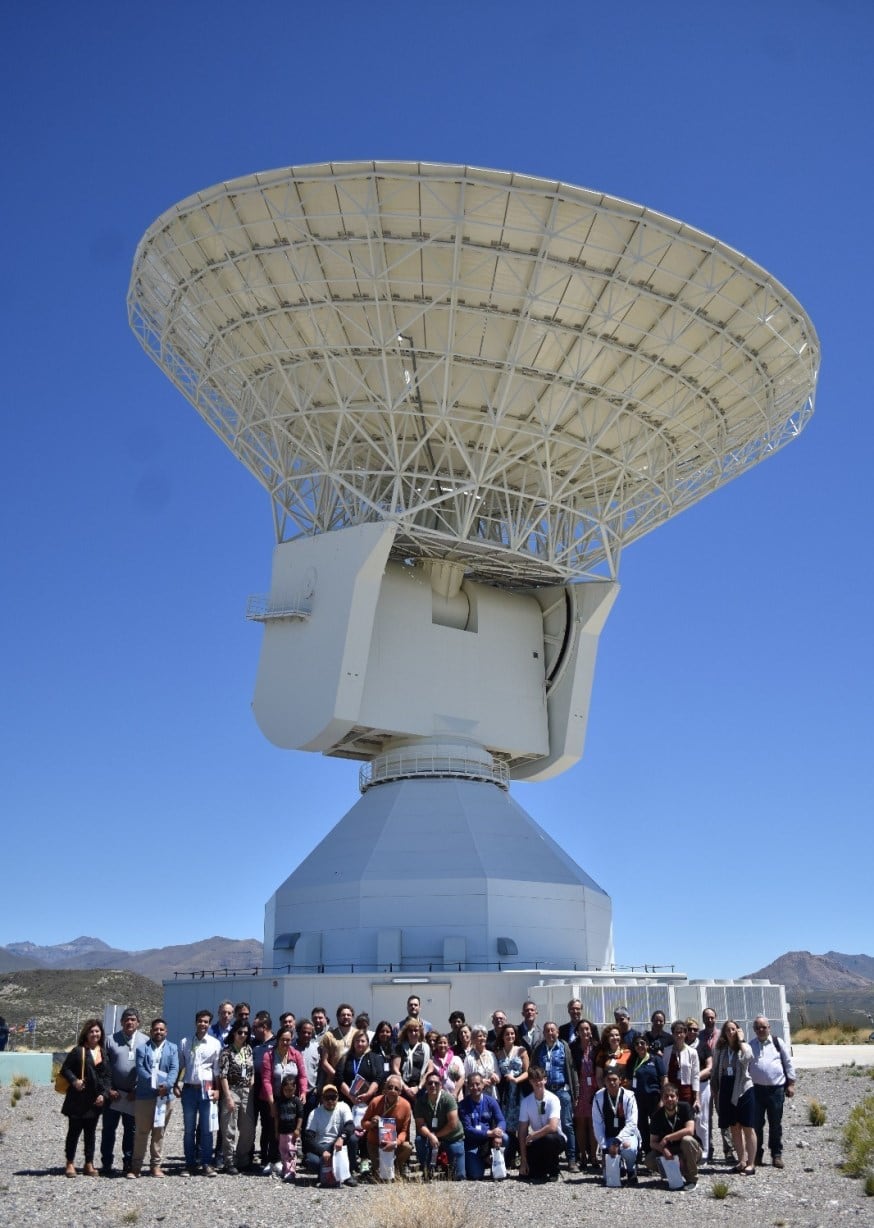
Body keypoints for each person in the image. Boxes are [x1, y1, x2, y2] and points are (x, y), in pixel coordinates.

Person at [60, 1019, 112, 1177]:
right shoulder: (78, 1051)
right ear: (86, 1034)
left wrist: (104, 1095)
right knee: (74, 1132)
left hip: (95, 1101)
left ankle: (89, 1163)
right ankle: (70, 1163)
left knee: (91, 1134)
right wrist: (74, 1081)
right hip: (78, 1100)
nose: (95, 1034)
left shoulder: (103, 1052)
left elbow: (107, 1077)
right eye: (91, 1031)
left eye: (97, 1031)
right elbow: (65, 1069)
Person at [129, 1017, 179, 1179]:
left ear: (166, 1032)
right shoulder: (142, 1049)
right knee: (142, 1132)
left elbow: (174, 1069)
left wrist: (167, 1086)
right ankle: (136, 1166)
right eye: (155, 1029)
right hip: (145, 1096)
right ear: (151, 1032)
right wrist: (155, 1084)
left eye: (161, 1029)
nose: (158, 1032)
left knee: (159, 1132)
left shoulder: (172, 1048)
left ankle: (155, 1166)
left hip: (165, 1097)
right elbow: (141, 1069)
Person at [174, 1008, 221, 1176]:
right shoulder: (185, 1042)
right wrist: (176, 1084)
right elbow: (181, 1066)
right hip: (189, 1090)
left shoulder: (215, 1044)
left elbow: (217, 1070)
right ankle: (189, 1163)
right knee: (189, 1129)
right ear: (196, 1022)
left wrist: (217, 1090)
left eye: (206, 1021)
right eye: (200, 1021)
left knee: (207, 1129)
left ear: (209, 1024)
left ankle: (207, 1163)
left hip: (207, 1089)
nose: (203, 1024)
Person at [101, 1007, 147, 1177]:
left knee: (131, 1131)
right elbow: (103, 1068)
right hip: (114, 1095)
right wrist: (109, 1089)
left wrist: (138, 1089)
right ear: (121, 1022)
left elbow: (148, 1068)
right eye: (126, 1019)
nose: (129, 1022)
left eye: (133, 1019)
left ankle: (128, 1162)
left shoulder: (145, 1041)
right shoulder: (110, 1040)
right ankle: (106, 1163)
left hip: (132, 1095)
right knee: (108, 1130)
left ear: (138, 1022)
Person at [749, 1016, 796, 1169]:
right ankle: (757, 1155)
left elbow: (788, 1063)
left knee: (775, 1124)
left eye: (764, 1027)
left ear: (769, 1028)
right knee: (756, 1124)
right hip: (756, 1090)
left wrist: (791, 1084)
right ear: (754, 1030)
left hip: (776, 1090)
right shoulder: (751, 1045)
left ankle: (776, 1154)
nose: (761, 1030)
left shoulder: (777, 1042)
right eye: (758, 1027)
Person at [711, 1019, 756, 1175]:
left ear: (738, 1031)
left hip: (743, 1089)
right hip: (726, 1088)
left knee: (747, 1127)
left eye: (733, 1029)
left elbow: (748, 1057)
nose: (730, 1032)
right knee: (734, 1127)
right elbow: (716, 1069)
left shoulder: (744, 1046)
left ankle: (751, 1164)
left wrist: (741, 1040)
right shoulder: (721, 1049)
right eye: (728, 1030)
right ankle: (741, 1161)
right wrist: (715, 1089)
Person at [261, 1026, 308, 1172]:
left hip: (290, 1098)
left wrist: (303, 1092)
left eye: (288, 1040)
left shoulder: (296, 1054)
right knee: (270, 1129)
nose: (286, 1043)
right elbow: (266, 1080)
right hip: (272, 1097)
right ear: (277, 1039)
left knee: (287, 1130)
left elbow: (302, 1076)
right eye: (283, 1040)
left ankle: (287, 1160)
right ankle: (270, 1159)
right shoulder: (269, 1055)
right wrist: (271, 1103)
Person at [534, 1021, 579, 1171]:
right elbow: (534, 1070)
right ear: (544, 1033)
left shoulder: (564, 1048)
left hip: (561, 1090)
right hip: (545, 1093)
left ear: (558, 1032)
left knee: (567, 1124)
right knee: (545, 1124)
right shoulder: (539, 1049)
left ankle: (571, 1159)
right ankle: (549, 1157)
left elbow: (572, 1071)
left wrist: (575, 1093)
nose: (550, 1033)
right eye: (547, 1031)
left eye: (553, 1030)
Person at [644, 1080, 702, 1190]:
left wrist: (667, 1137)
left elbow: (690, 1130)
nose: (669, 1099)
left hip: (690, 1149)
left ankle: (692, 1179)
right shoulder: (657, 1115)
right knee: (649, 1160)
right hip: (671, 1151)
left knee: (687, 1140)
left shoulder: (685, 1107)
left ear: (677, 1097)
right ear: (662, 1099)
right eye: (666, 1097)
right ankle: (674, 1174)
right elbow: (652, 1142)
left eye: (672, 1096)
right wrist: (663, 1150)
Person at [218, 1019, 255, 1175]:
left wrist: (251, 1082)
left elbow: (251, 1069)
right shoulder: (226, 1052)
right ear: (234, 1033)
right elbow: (223, 1075)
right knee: (229, 1128)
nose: (243, 1035)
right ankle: (229, 1161)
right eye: (240, 1032)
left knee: (248, 1129)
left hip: (247, 1091)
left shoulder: (248, 1050)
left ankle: (242, 1159)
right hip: (232, 1090)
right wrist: (228, 1097)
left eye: (246, 1033)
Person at [414, 1070, 465, 1179]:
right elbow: (420, 1125)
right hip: (431, 1138)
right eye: (430, 1083)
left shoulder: (448, 1099)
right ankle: (427, 1169)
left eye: (436, 1083)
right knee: (419, 1140)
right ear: (425, 1085)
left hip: (452, 1137)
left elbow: (453, 1124)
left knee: (459, 1176)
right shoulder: (420, 1101)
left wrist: (435, 1136)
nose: (433, 1085)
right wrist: (430, 1136)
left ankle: (446, 1166)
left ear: (441, 1085)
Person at [303, 1083, 358, 1186]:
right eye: (327, 1097)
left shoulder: (343, 1106)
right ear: (322, 1099)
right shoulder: (314, 1113)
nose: (330, 1101)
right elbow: (308, 1138)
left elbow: (350, 1126)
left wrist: (341, 1138)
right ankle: (323, 1174)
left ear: (338, 1097)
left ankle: (348, 1174)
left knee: (353, 1139)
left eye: (333, 1097)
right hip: (322, 1146)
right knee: (311, 1160)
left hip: (337, 1146)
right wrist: (322, 1151)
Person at [593, 1068, 640, 1185]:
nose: (612, 1082)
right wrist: (604, 1148)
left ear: (620, 1081)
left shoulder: (629, 1096)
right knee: (608, 1178)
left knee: (629, 1148)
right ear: (604, 1081)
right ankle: (618, 1167)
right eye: (608, 1080)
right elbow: (597, 1124)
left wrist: (617, 1141)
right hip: (608, 1137)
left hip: (626, 1137)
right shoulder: (598, 1097)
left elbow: (632, 1123)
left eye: (615, 1079)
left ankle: (631, 1170)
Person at [517, 1066, 564, 1182]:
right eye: (534, 1080)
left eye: (540, 1079)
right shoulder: (526, 1102)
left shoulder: (553, 1099)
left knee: (549, 1139)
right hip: (537, 1140)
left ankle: (554, 1169)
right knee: (528, 1175)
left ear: (545, 1080)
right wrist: (524, 1159)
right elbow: (522, 1131)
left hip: (555, 1138)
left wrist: (533, 1135)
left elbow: (552, 1127)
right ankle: (539, 1169)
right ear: (530, 1082)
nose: (538, 1082)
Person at [360, 1074, 413, 1179]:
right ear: (384, 1088)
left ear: (400, 1092)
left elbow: (404, 1131)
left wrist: (395, 1143)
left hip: (394, 1142)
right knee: (379, 1177)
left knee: (408, 1147)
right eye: (390, 1087)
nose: (392, 1090)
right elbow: (363, 1123)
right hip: (375, 1142)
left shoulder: (406, 1105)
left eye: (396, 1088)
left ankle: (396, 1167)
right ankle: (378, 1167)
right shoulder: (375, 1102)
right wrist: (372, 1124)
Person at [459, 1072, 506, 1179]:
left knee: (505, 1138)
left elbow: (502, 1120)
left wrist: (498, 1134)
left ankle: (497, 1165)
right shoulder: (463, 1105)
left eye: (477, 1084)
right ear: (467, 1086)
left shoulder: (491, 1101)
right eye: (471, 1084)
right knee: (476, 1175)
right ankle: (484, 1161)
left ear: (483, 1084)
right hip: (473, 1143)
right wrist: (490, 1133)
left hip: (488, 1141)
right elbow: (468, 1129)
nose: (475, 1087)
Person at [495, 1022, 529, 1167]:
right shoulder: (497, 1053)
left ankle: (524, 1157)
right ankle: (509, 1157)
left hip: (519, 1093)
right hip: (505, 1095)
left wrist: (516, 1079)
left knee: (521, 1126)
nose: (510, 1036)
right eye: (507, 1034)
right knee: (507, 1128)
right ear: (502, 1036)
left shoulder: (521, 1051)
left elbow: (528, 1071)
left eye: (512, 1034)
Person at [629, 1032, 666, 1154]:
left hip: (654, 1097)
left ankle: (659, 1150)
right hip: (638, 1099)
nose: (640, 1046)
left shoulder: (655, 1059)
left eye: (642, 1043)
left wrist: (663, 1099)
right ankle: (647, 1150)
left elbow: (664, 1080)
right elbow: (629, 1081)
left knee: (656, 1126)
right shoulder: (633, 1061)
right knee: (642, 1125)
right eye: (637, 1044)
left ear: (647, 1045)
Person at [571, 1019, 600, 1171]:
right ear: (577, 1032)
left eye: (587, 1029)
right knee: (581, 1123)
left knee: (593, 1124)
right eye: (582, 1029)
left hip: (594, 1088)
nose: (585, 1032)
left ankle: (594, 1156)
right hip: (579, 1089)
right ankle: (582, 1155)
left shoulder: (596, 1047)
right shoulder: (573, 1048)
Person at [661, 1020, 700, 1108]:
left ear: (685, 1033)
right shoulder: (667, 1051)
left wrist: (697, 1098)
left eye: (681, 1032)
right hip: (670, 1092)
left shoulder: (692, 1052)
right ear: (673, 1034)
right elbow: (664, 1073)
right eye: (676, 1033)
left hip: (686, 1091)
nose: (679, 1035)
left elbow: (695, 1076)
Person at [392, 1019, 432, 1104]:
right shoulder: (399, 1047)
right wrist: (406, 1088)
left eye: (416, 1030)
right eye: (410, 1030)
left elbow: (429, 1070)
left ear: (420, 1031)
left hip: (421, 1089)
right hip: (403, 1089)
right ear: (406, 1032)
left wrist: (419, 1087)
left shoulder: (426, 1048)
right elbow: (396, 1069)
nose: (413, 1033)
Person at [275, 1073, 304, 1182]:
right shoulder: (280, 1101)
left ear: (295, 1088)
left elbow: (300, 1116)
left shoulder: (297, 1102)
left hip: (292, 1132)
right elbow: (277, 1117)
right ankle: (285, 1168)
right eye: (286, 1090)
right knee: (283, 1151)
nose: (288, 1092)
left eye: (291, 1090)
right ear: (282, 1089)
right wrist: (276, 1131)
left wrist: (298, 1129)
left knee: (291, 1151)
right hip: (282, 1131)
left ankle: (291, 1171)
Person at [463, 1025, 500, 1093]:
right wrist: (480, 1082)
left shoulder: (491, 1055)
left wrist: (495, 1078)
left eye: (484, 1036)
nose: (482, 1038)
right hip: (475, 1095)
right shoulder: (469, 1058)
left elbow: (498, 1074)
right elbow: (465, 1080)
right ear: (473, 1039)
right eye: (479, 1036)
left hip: (492, 1095)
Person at [595, 1023, 633, 1087]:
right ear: (607, 1038)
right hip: (609, 1090)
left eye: (617, 1035)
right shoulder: (602, 1055)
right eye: (611, 1036)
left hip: (625, 1090)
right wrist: (604, 1092)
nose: (615, 1037)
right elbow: (599, 1077)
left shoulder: (627, 1052)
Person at [369, 1021, 396, 1089]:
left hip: (392, 1086)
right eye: (382, 1031)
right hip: (376, 1085)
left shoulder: (395, 1049)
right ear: (378, 1033)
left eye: (388, 1032)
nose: (385, 1034)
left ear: (391, 1033)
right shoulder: (372, 1049)